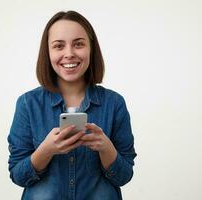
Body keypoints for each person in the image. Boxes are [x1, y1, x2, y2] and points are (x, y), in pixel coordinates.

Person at [7, 10, 137, 200]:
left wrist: (106, 147)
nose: (69, 53)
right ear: (48, 52)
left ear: (91, 49)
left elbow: (124, 176)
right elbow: (18, 175)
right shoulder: (28, 104)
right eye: (59, 46)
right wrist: (46, 150)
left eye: (78, 44)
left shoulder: (114, 103)